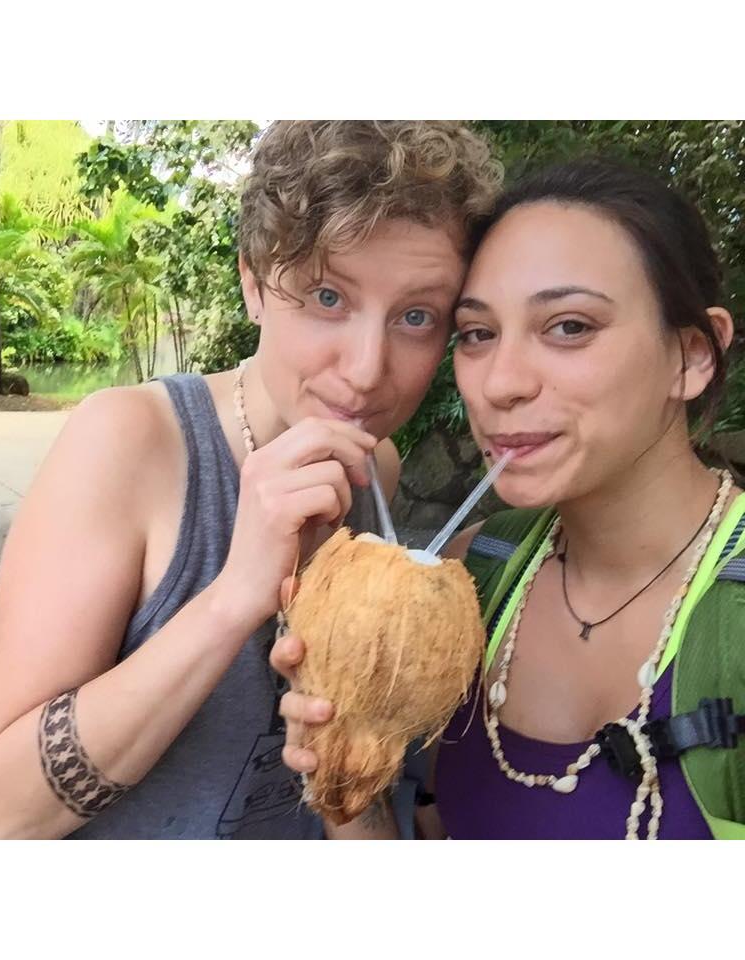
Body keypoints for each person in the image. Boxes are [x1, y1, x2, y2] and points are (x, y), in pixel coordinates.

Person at [0, 120, 502, 839]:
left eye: (415, 316)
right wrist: (237, 595)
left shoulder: (374, 465)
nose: (368, 369)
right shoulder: (131, 443)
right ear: (253, 282)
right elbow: (0, 814)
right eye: (327, 298)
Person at [274, 158, 745, 840]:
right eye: (477, 334)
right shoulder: (476, 576)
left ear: (692, 355)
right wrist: (342, 763)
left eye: (570, 326)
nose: (500, 384)